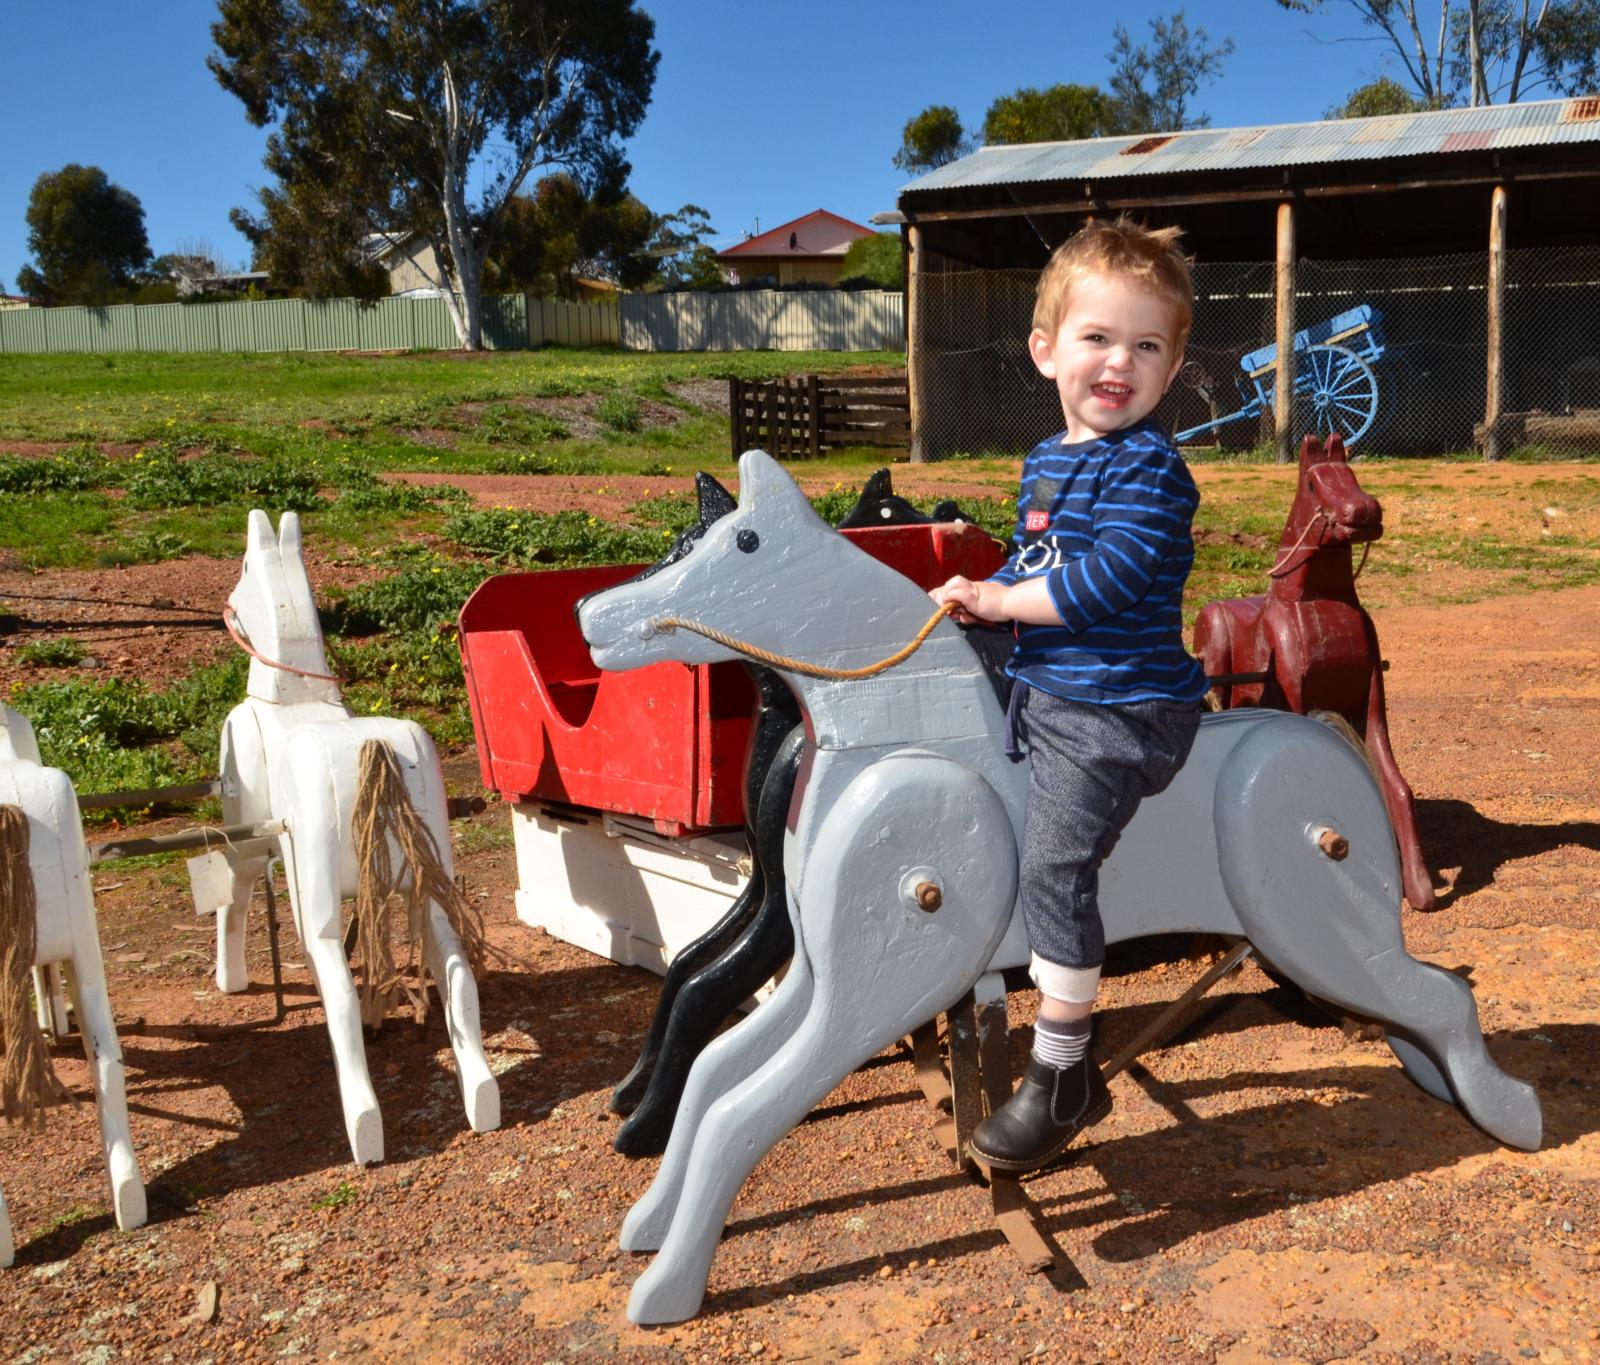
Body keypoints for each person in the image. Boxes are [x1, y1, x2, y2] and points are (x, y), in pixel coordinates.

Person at [931, 216, 1210, 1173]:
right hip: (1049, 681)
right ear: (1046, 349)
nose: (1118, 363)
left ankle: (1064, 1070)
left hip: (1120, 706)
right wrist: (985, 601)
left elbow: (1106, 580)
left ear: (1171, 369)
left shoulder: (1150, 470)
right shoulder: (1047, 460)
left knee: (1054, 861)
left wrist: (1007, 597)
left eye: (1146, 345)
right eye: (1097, 338)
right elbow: (1040, 561)